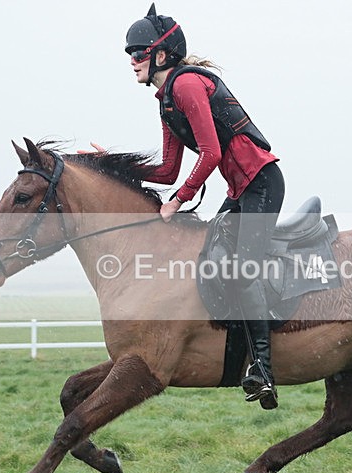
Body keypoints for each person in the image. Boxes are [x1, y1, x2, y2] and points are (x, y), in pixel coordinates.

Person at [123, 4, 286, 409]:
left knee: (243, 269)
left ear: (161, 55)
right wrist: (113, 169)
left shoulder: (187, 86)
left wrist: (177, 203)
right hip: (241, 191)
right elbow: (166, 169)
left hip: (261, 184)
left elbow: (210, 153)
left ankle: (263, 369)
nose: (131, 61)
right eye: (129, 54)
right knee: (214, 258)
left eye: (138, 53)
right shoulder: (166, 101)